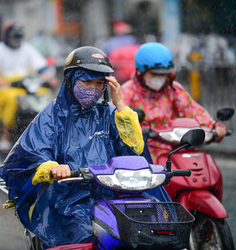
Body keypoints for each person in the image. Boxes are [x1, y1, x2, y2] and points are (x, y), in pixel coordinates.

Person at [0, 46, 172, 249]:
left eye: (99, 83)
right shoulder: (53, 115)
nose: (92, 88)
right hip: (69, 199)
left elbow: (134, 149)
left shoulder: (110, 113)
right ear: (71, 80)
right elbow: (35, 152)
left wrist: (121, 107)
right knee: (84, 238)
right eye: (86, 81)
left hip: (115, 194)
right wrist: (51, 167)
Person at [120, 42, 227, 163]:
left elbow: (192, 110)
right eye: (154, 73)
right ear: (140, 72)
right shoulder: (126, 92)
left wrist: (214, 127)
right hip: (142, 157)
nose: (160, 78)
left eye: (164, 74)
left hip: (176, 152)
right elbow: (115, 119)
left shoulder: (173, 89)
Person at [0, 21, 58, 152]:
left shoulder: (27, 48)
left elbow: (41, 66)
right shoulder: (1, 50)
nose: (16, 39)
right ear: (7, 36)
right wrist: (7, 82)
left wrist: (48, 77)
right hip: (7, 86)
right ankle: (5, 135)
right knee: (12, 98)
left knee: (45, 95)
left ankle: (48, 131)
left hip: (26, 83)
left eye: (18, 36)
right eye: (14, 36)